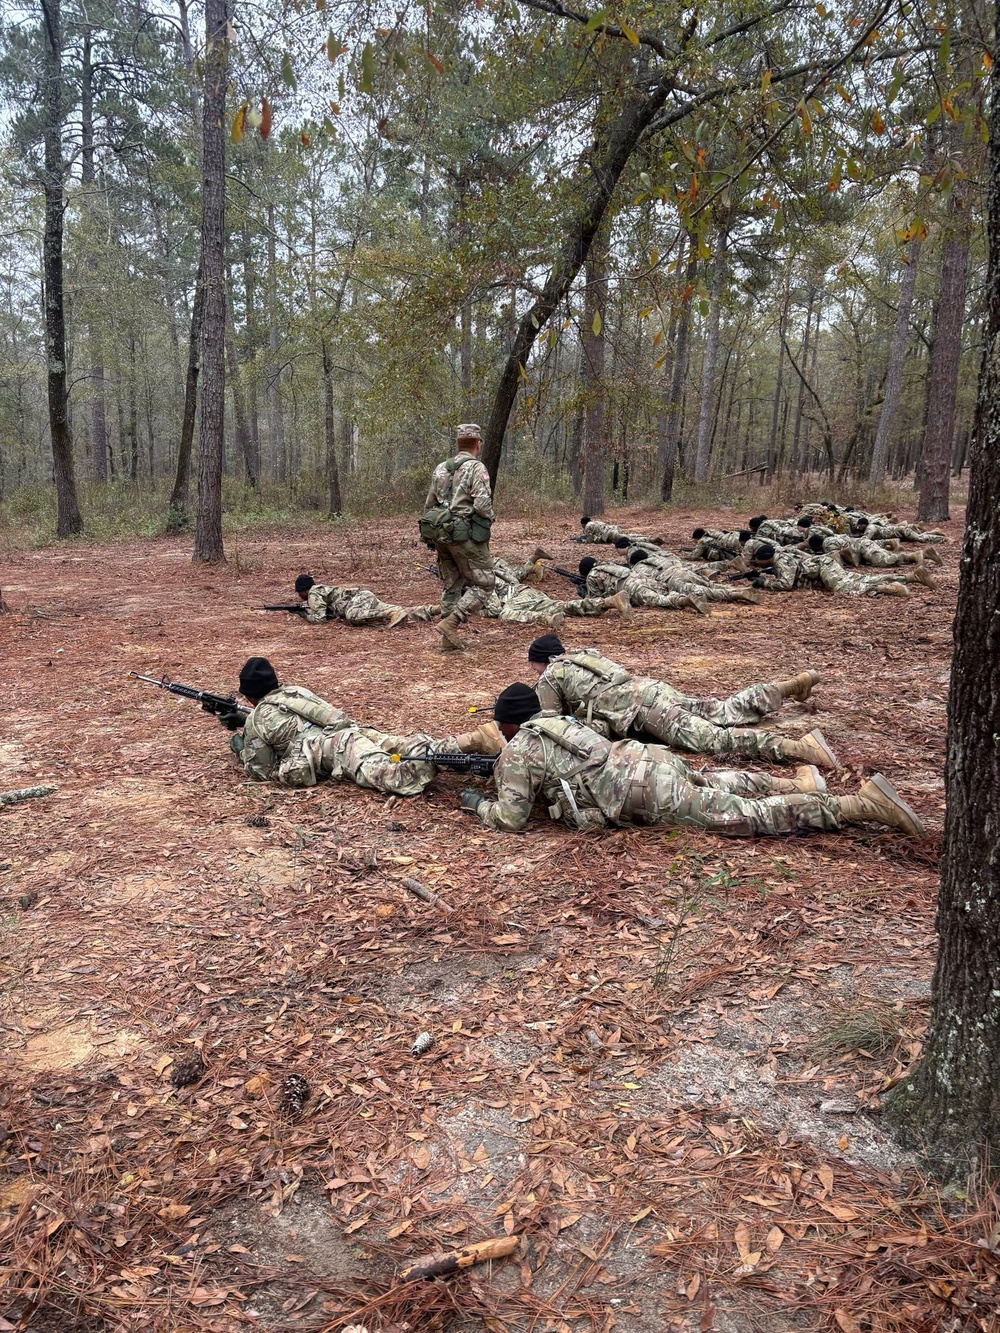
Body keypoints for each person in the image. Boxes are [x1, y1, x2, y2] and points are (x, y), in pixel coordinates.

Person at [458, 685, 924, 838]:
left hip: (641, 792)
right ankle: (799, 786)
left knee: (744, 817)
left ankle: (859, 805)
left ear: (510, 725)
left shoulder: (518, 750)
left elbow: (512, 819)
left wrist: (478, 803)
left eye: (501, 727)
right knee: (717, 781)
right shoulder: (560, 722)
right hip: (648, 761)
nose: (501, 733)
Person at [524, 634, 836, 767]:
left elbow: (553, 725)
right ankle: (788, 687)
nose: (534, 672)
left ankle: (798, 748)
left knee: (711, 740)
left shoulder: (551, 676)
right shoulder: (583, 657)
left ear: (541, 661)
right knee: (723, 708)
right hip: (654, 690)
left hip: (645, 710)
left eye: (533, 666)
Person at [231, 656, 501, 790]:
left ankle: (459, 753)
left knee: (392, 774)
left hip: (337, 747)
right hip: (353, 731)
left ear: (250, 695)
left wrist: (241, 745)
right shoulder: (294, 692)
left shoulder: (257, 719)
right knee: (403, 745)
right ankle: (471, 740)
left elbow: (261, 771)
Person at [421, 423, 496, 651]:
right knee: (485, 584)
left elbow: (429, 504)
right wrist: (489, 518)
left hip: (441, 535)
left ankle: (447, 642)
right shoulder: (476, 468)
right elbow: (482, 503)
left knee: (452, 584)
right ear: (478, 444)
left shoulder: (441, 468)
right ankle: (451, 624)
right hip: (466, 536)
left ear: (458, 443)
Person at [745, 543, 935, 596]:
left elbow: (785, 584)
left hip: (823, 569)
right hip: (826, 565)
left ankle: (888, 589)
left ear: (765, 559)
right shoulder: (783, 556)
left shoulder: (782, 561)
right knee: (861, 579)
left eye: (759, 562)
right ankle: (910, 576)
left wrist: (764, 583)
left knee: (846, 588)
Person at [292, 574, 438, 627]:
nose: (300, 596)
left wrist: (303, 614)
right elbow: (328, 613)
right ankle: (437, 609)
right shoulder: (320, 590)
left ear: (304, 590)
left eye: (300, 593)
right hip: (362, 597)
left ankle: (392, 613)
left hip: (357, 600)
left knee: (353, 616)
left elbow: (319, 620)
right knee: (402, 610)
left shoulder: (313, 593)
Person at [579, 556, 708, 614]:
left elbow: (595, 600)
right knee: (664, 592)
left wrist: (584, 594)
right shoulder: (608, 565)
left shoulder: (592, 575)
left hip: (632, 588)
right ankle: (685, 596)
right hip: (642, 578)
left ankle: (684, 600)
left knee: (658, 600)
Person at [626, 549, 758, 606]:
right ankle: (735, 589)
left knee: (707, 592)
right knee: (709, 585)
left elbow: (648, 583)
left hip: (673, 580)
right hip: (682, 571)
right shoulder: (658, 558)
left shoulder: (638, 568)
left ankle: (735, 594)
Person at [803, 531, 942, 569]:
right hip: (864, 545)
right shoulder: (832, 537)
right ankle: (923, 555)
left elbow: (835, 559)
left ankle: (917, 555)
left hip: (863, 547)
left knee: (883, 561)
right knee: (886, 556)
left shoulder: (828, 545)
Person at [572, 515, 664, 547]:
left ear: (583, 524)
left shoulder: (588, 526)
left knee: (629, 540)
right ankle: (649, 538)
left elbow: (590, 540)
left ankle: (651, 541)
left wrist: (581, 541)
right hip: (614, 529)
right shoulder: (595, 522)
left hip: (610, 534)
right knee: (631, 535)